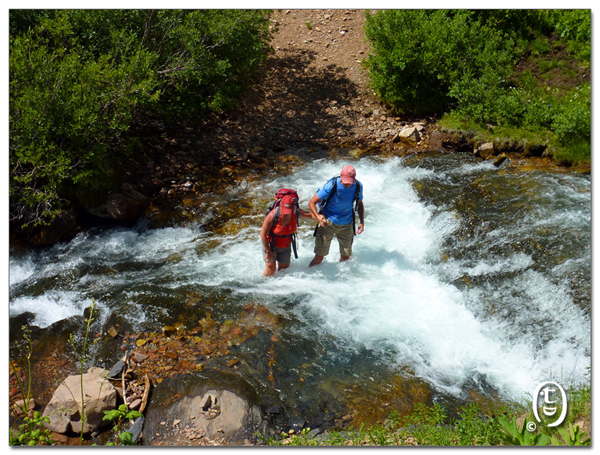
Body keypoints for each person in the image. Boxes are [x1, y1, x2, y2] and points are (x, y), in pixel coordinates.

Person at [308, 165, 364, 267]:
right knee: (318, 258)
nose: (348, 184)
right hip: (327, 223)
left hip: (347, 224)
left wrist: (361, 222)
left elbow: (360, 204)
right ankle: (307, 277)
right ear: (341, 176)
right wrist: (318, 217)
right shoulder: (331, 185)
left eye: (350, 182)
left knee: (346, 257)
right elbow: (312, 202)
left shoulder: (358, 185)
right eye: (345, 181)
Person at [260, 194, 315, 276]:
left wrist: (321, 217)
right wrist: (268, 251)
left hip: (285, 246)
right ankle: (263, 285)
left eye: (288, 212)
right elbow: (262, 235)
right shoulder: (272, 215)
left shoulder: (296, 212)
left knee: (284, 271)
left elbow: (310, 216)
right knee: (270, 271)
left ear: (293, 208)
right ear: (281, 207)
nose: (286, 214)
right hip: (271, 245)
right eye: (284, 211)